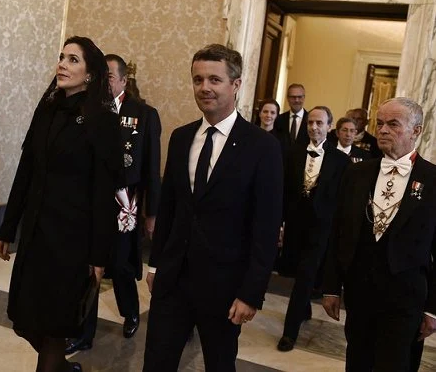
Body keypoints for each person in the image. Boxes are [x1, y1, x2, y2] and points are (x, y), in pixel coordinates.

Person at [143, 44, 283, 371]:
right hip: (173, 279)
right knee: (156, 363)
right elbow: (170, 209)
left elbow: (265, 226)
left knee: (219, 365)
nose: (204, 87)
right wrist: (155, 265)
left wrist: (251, 293)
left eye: (215, 80)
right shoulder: (181, 137)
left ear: (236, 84)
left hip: (225, 286)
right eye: (197, 79)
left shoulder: (262, 147)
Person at [0, 36, 121, 372]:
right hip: (36, 233)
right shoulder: (48, 109)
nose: (63, 64)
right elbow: (26, 171)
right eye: (61, 57)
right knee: (25, 320)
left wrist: (98, 255)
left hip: (72, 241)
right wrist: (8, 226)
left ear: (91, 73)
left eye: (73, 60)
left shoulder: (103, 121)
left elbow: (104, 193)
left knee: (53, 328)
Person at [322, 97, 436, 371]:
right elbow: (338, 231)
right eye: (380, 123)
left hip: (406, 297)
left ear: (416, 131)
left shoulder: (433, 180)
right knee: (358, 362)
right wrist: (330, 287)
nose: (382, 130)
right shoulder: (356, 173)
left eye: (393, 124)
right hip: (360, 292)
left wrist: (433, 309)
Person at [65, 55, 161, 354]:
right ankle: (84, 332)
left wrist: (151, 212)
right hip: (93, 198)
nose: (104, 81)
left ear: (122, 80)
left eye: (108, 76)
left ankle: (130, 311)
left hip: (125, 200)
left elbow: (151, 165)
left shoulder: (143, 113)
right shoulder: (89, 109)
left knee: (119, 262)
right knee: (90, 265)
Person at [277, 106, 349, 352]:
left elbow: (342, 200)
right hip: (296, 226)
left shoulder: (341, 161)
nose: (314, 127)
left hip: (322, 230)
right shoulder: (293, 153)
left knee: (305, 276)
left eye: (319, 123)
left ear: (330, 127)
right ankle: (305, 307)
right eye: (310, 123)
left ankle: (289, 333)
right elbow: (284, 191)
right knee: (299, 275)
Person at [274, 83, 309, 151]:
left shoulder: (311, 120)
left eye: (299, 97)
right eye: (293, 97)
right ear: (287, 98)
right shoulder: (279, 119)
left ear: (304, 98)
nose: (296, 100)